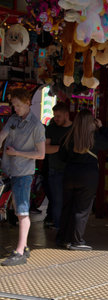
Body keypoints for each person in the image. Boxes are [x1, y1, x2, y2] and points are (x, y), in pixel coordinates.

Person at [0, 89, 45, 266]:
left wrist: (17, 153)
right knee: (14, 209)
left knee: (22, 210)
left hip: (23, 172)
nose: (15, 108)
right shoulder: (13, 119)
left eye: (18, 105)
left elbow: (41, 154)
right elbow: (2, 136)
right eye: (13, 105)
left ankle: (19, 251)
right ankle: (23, 246)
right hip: (8, 170)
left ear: (28, 103)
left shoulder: (36, 126)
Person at [56, 109, 108, 250]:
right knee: (81, 209)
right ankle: (76, 241)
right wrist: (102, 127)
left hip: (69, 174)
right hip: (88, 175)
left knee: (67, 207)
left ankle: (62, 238)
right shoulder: (94, 137)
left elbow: (61, 157)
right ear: (91, 122)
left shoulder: (68, 136)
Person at [44, 103, 72, 228]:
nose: (56, 119)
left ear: (66, 115)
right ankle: (59, 229)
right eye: (55, 116)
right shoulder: (51, 128)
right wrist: (62, 148)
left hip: (72, 170)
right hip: (55, 170)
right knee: (57, 201)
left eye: (59, 116)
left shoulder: (74, 129)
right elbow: (45, 149)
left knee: (70, 202)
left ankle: (68, 228)